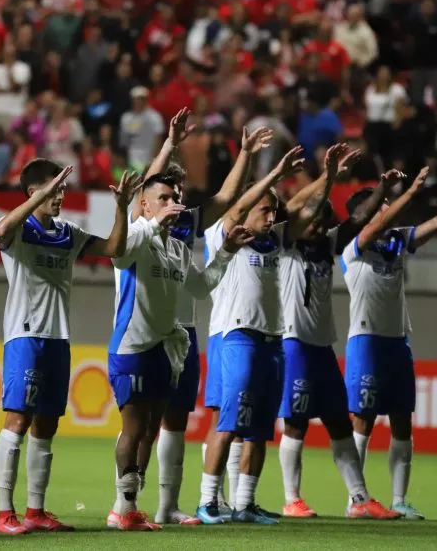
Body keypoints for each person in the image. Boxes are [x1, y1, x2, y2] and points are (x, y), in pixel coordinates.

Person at [124, 109, 272, 525]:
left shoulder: (184, 227)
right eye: (170, 193)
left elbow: (225, 198)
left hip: (183, 333)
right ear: (151, 200)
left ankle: (167, 506)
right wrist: (169, 145)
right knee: (141, 426)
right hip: (145, 333)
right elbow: (145, 191)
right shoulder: (142, 224)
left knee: (174, 423)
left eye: (181, 191)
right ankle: (127, 504)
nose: (178, 200)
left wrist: (244, 155)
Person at [0, 159, 140, 535]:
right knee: (18, 419)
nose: (60, 196)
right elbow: (0, 228)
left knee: (46, 425)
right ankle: (4, 513)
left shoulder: (67, 232)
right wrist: (39, 195)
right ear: (32, 193)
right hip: (25, 335)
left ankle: (35, 511)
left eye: (61, 190)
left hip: (58, 337)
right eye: (52, 190)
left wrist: (121, 207)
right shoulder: (20, 231)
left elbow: (114, 248)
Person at [106, 172, 254, 531]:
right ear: (144, 204)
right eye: (164, 198)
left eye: (176, 197)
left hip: (164, 348)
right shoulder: (137, 238)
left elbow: (201, 287)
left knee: (151, 430)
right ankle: (121, 507)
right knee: (134, 428)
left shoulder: (176, 247)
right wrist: (136, 214)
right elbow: (118, 254)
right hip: (133, 347)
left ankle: (131, 506)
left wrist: (228, 251)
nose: (173, 203)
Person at [342, 164, 437, 520]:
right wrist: (407, 193)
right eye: (380, 208)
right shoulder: (353, 246)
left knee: (402, 421)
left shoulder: (396, 241)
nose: (386, 213)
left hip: (397, 340)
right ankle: (356, 499)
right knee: (361, 420)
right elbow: (376, 223)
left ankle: (398, 499)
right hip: (366, 340)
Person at [278, 162, 403, 521]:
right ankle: (291, 499)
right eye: (313, 221)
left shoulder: (327, 245)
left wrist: (382, 187)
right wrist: (328, 176)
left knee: (339, 422)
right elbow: (296, 214)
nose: (318, 227)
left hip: (322, 345)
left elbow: (358, 220)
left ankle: (360, 498)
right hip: (295, 342)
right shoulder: (287, 244)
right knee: (296, 423)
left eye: (323, 221)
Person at [196, 146, 308, 526]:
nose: (271, 215)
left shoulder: (273, 241)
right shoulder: (223, 231)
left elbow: (300, 210)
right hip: (237, 335)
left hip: (272, 340)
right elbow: (234, 207)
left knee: (260, 428)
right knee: (227, 423)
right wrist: (273, 172)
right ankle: (208, 501)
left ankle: (245, 503)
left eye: (273, 211)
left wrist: (327, 177)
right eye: (265, 208)